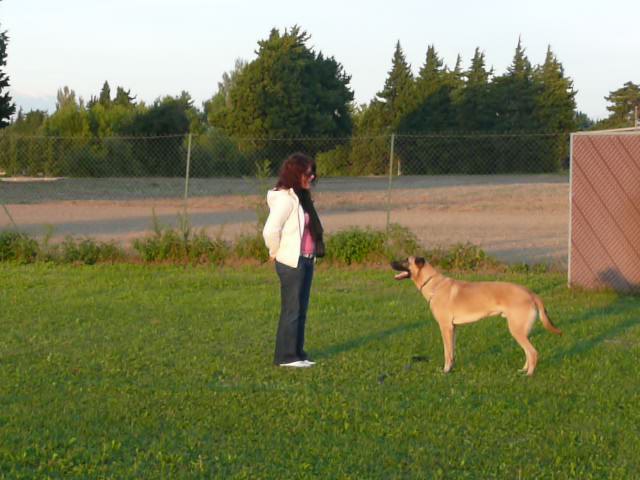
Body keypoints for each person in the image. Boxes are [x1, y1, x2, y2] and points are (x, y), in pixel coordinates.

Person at [262, 153, 325, 368]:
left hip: (306, 259)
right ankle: (286, 357)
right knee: (292, 309)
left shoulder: (301, 198)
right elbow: (270, 230)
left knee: (301, 309)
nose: (312, 176)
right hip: (292, 262)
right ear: (295, 173)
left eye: (313, 173)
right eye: (308, 173)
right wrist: (275, 251)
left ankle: (298, 353)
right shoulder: (286, 199)